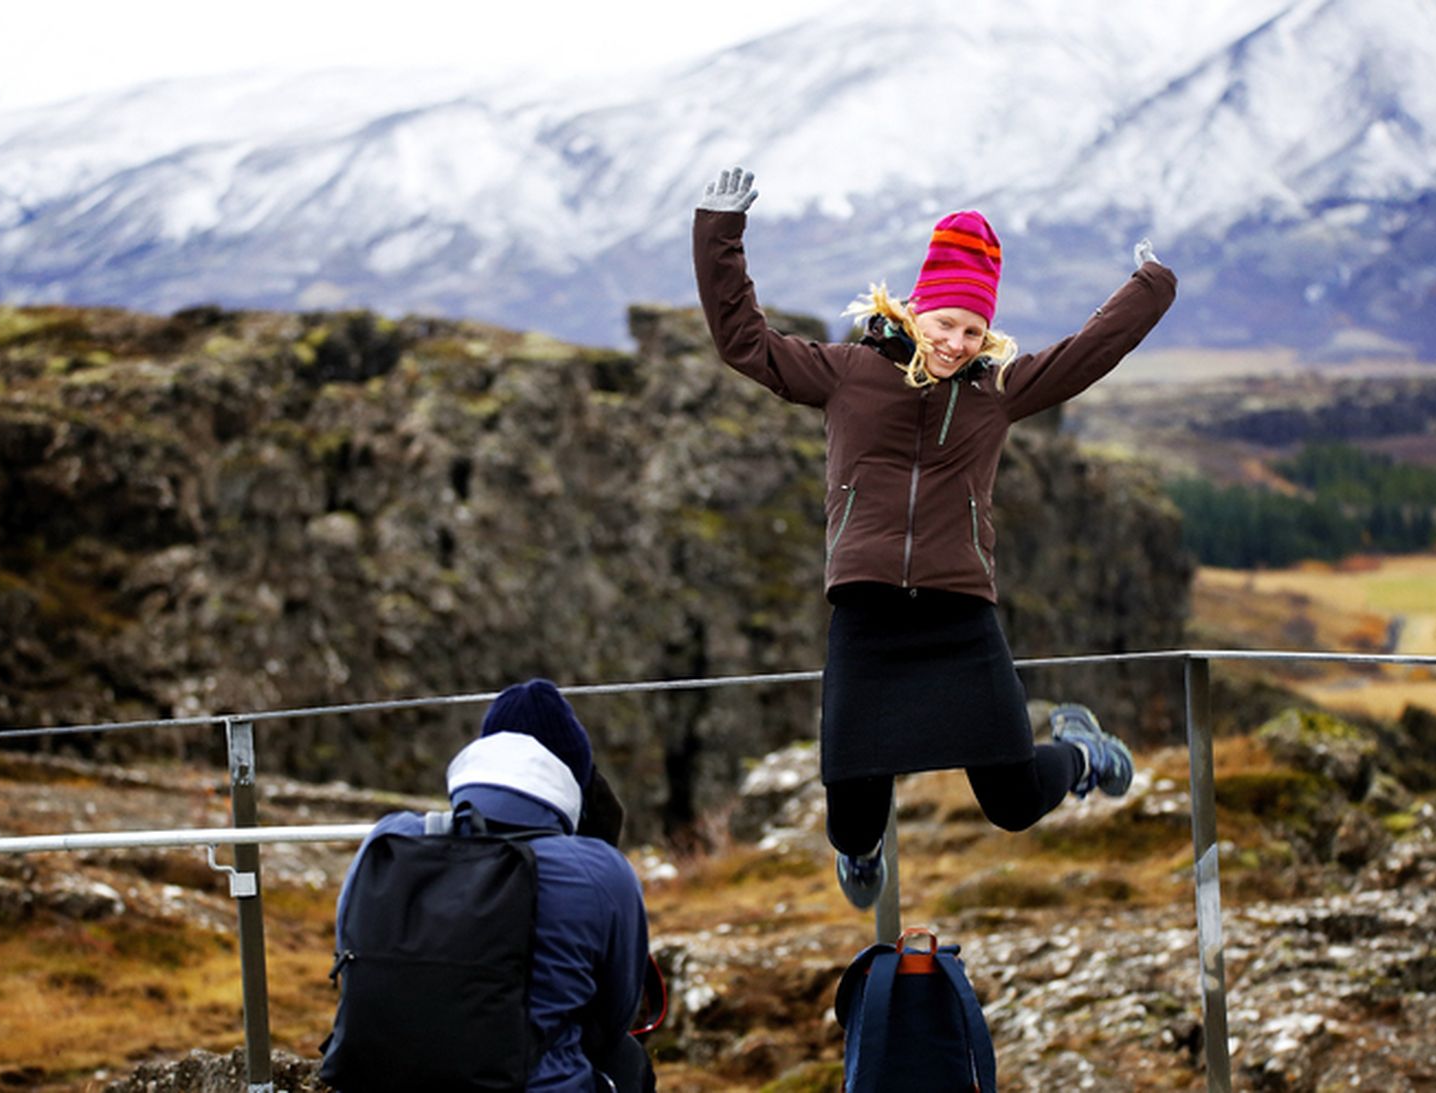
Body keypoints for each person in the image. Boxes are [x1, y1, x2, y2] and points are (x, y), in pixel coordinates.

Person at [693, 167, 1177, 909]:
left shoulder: (998, 392)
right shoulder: (848, 373)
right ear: (915, 309)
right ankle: (861, 849)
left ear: (989, 334)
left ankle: (1080, 752)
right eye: (944, 323)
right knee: (852, 824)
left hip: (958, 615)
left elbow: (1089, 352)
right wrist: (718, 229)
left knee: (1012, 801)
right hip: (867, 613)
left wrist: (1152, 286)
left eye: (973, 330)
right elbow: (741, 341)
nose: (955, 343)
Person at [335, 678, 656, 1092]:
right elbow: (615, 1015)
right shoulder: (599, 870)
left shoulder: (390, 838)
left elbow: (351, 953)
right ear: (574, 784)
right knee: (626, 1061)